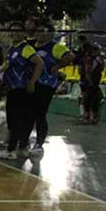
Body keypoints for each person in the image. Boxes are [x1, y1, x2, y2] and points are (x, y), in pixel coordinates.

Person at [0, 22, 44, 159]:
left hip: (21, 89)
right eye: (12, 31)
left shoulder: (25, 48)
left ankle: (11, 151)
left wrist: (32, 82)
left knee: (16, 120)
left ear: (23, 33)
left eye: (17, 31)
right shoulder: (12, 49)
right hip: (12, 88)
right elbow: (8, 66)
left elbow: (40, 63)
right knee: (14, 120)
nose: (14, 33)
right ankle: (21, 148)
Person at [30, 22, 73, 156]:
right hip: (30, 83)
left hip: (46, 85)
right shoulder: (32, 46)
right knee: (28, 113)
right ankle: (23, 141)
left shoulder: (55, 47)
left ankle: (39, 144)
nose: (40, 33)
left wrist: (57, 67)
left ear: (51, 34)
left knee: (40, 114)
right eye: (38, 30)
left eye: (44, 31)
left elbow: (70, 56)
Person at [81, 44, 105, 124]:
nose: (99, 52)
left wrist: (102, 61)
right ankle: (88, 116)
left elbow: (102, 69)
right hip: (90, 83)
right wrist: (90, 82)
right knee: (89, 100)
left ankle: (91, 116)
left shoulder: (97, 60)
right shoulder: (89, 59)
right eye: (98, 50)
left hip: (95, 82)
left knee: (95, 99)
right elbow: (87, 72)